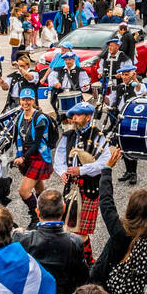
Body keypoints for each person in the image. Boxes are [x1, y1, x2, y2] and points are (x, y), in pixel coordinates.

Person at [90, 158, 147, 294]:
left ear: (132, 209)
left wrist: (106, 170)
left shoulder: (121, 231)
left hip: (105, 289)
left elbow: (106, 202)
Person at [14, 189, 89, 294]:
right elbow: (81, 276)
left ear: (37, 212)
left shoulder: (22, 239)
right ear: (64, 209)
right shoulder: (74, 241)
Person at [52, 100, 109, 264]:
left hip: (89, 188)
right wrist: (63, 172)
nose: (74, 118)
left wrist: (81, 170)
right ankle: (75, 260)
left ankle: (89, 262)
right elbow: (60, 158)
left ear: (88, 116)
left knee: (81, 231)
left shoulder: (99, 136)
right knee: (68, 227)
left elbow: (104, 164)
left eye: (77, 115)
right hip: (71, 187)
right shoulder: (68, 136)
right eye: (72, 116)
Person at [11, 87, 56, 222]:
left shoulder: (40, 118)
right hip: (27, 155)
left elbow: (36, 145)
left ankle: (36, 218)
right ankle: (51, 211)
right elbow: (18, 139)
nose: (26, 102)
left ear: (33, 100)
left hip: (39, 157)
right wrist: (18, 155)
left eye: (29, 99)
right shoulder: (19, 117)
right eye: (24, 99)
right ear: (20, 100)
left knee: (24, 192)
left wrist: (22, 158)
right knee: (39, 188)